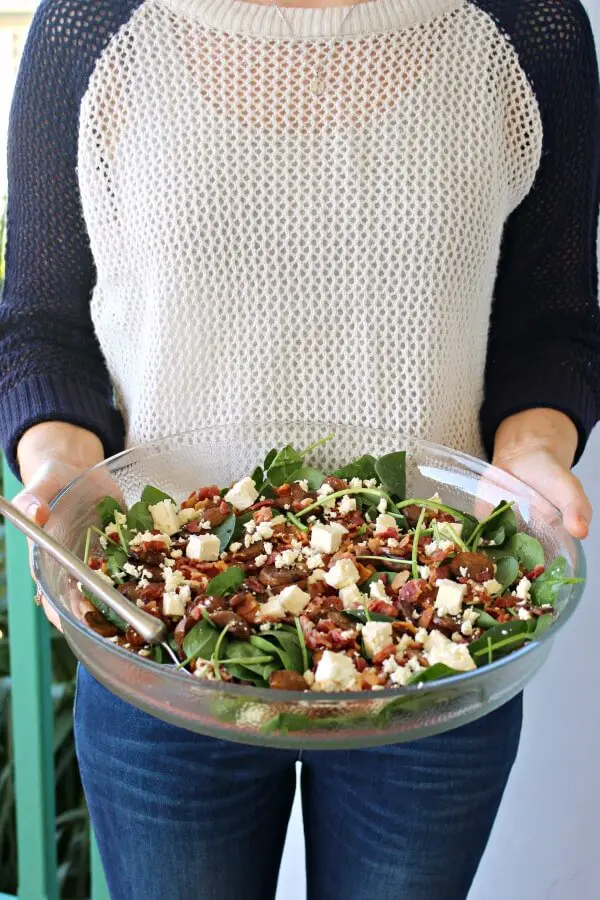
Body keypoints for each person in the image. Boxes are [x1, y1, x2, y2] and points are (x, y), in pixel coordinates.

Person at [1, 0, 599, 897]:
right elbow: (40, 329)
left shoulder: (525, 26)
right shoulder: (95, 25)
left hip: (431, 658)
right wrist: (59, 470)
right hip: (162, 647)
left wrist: (535, 447)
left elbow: (552, 330)